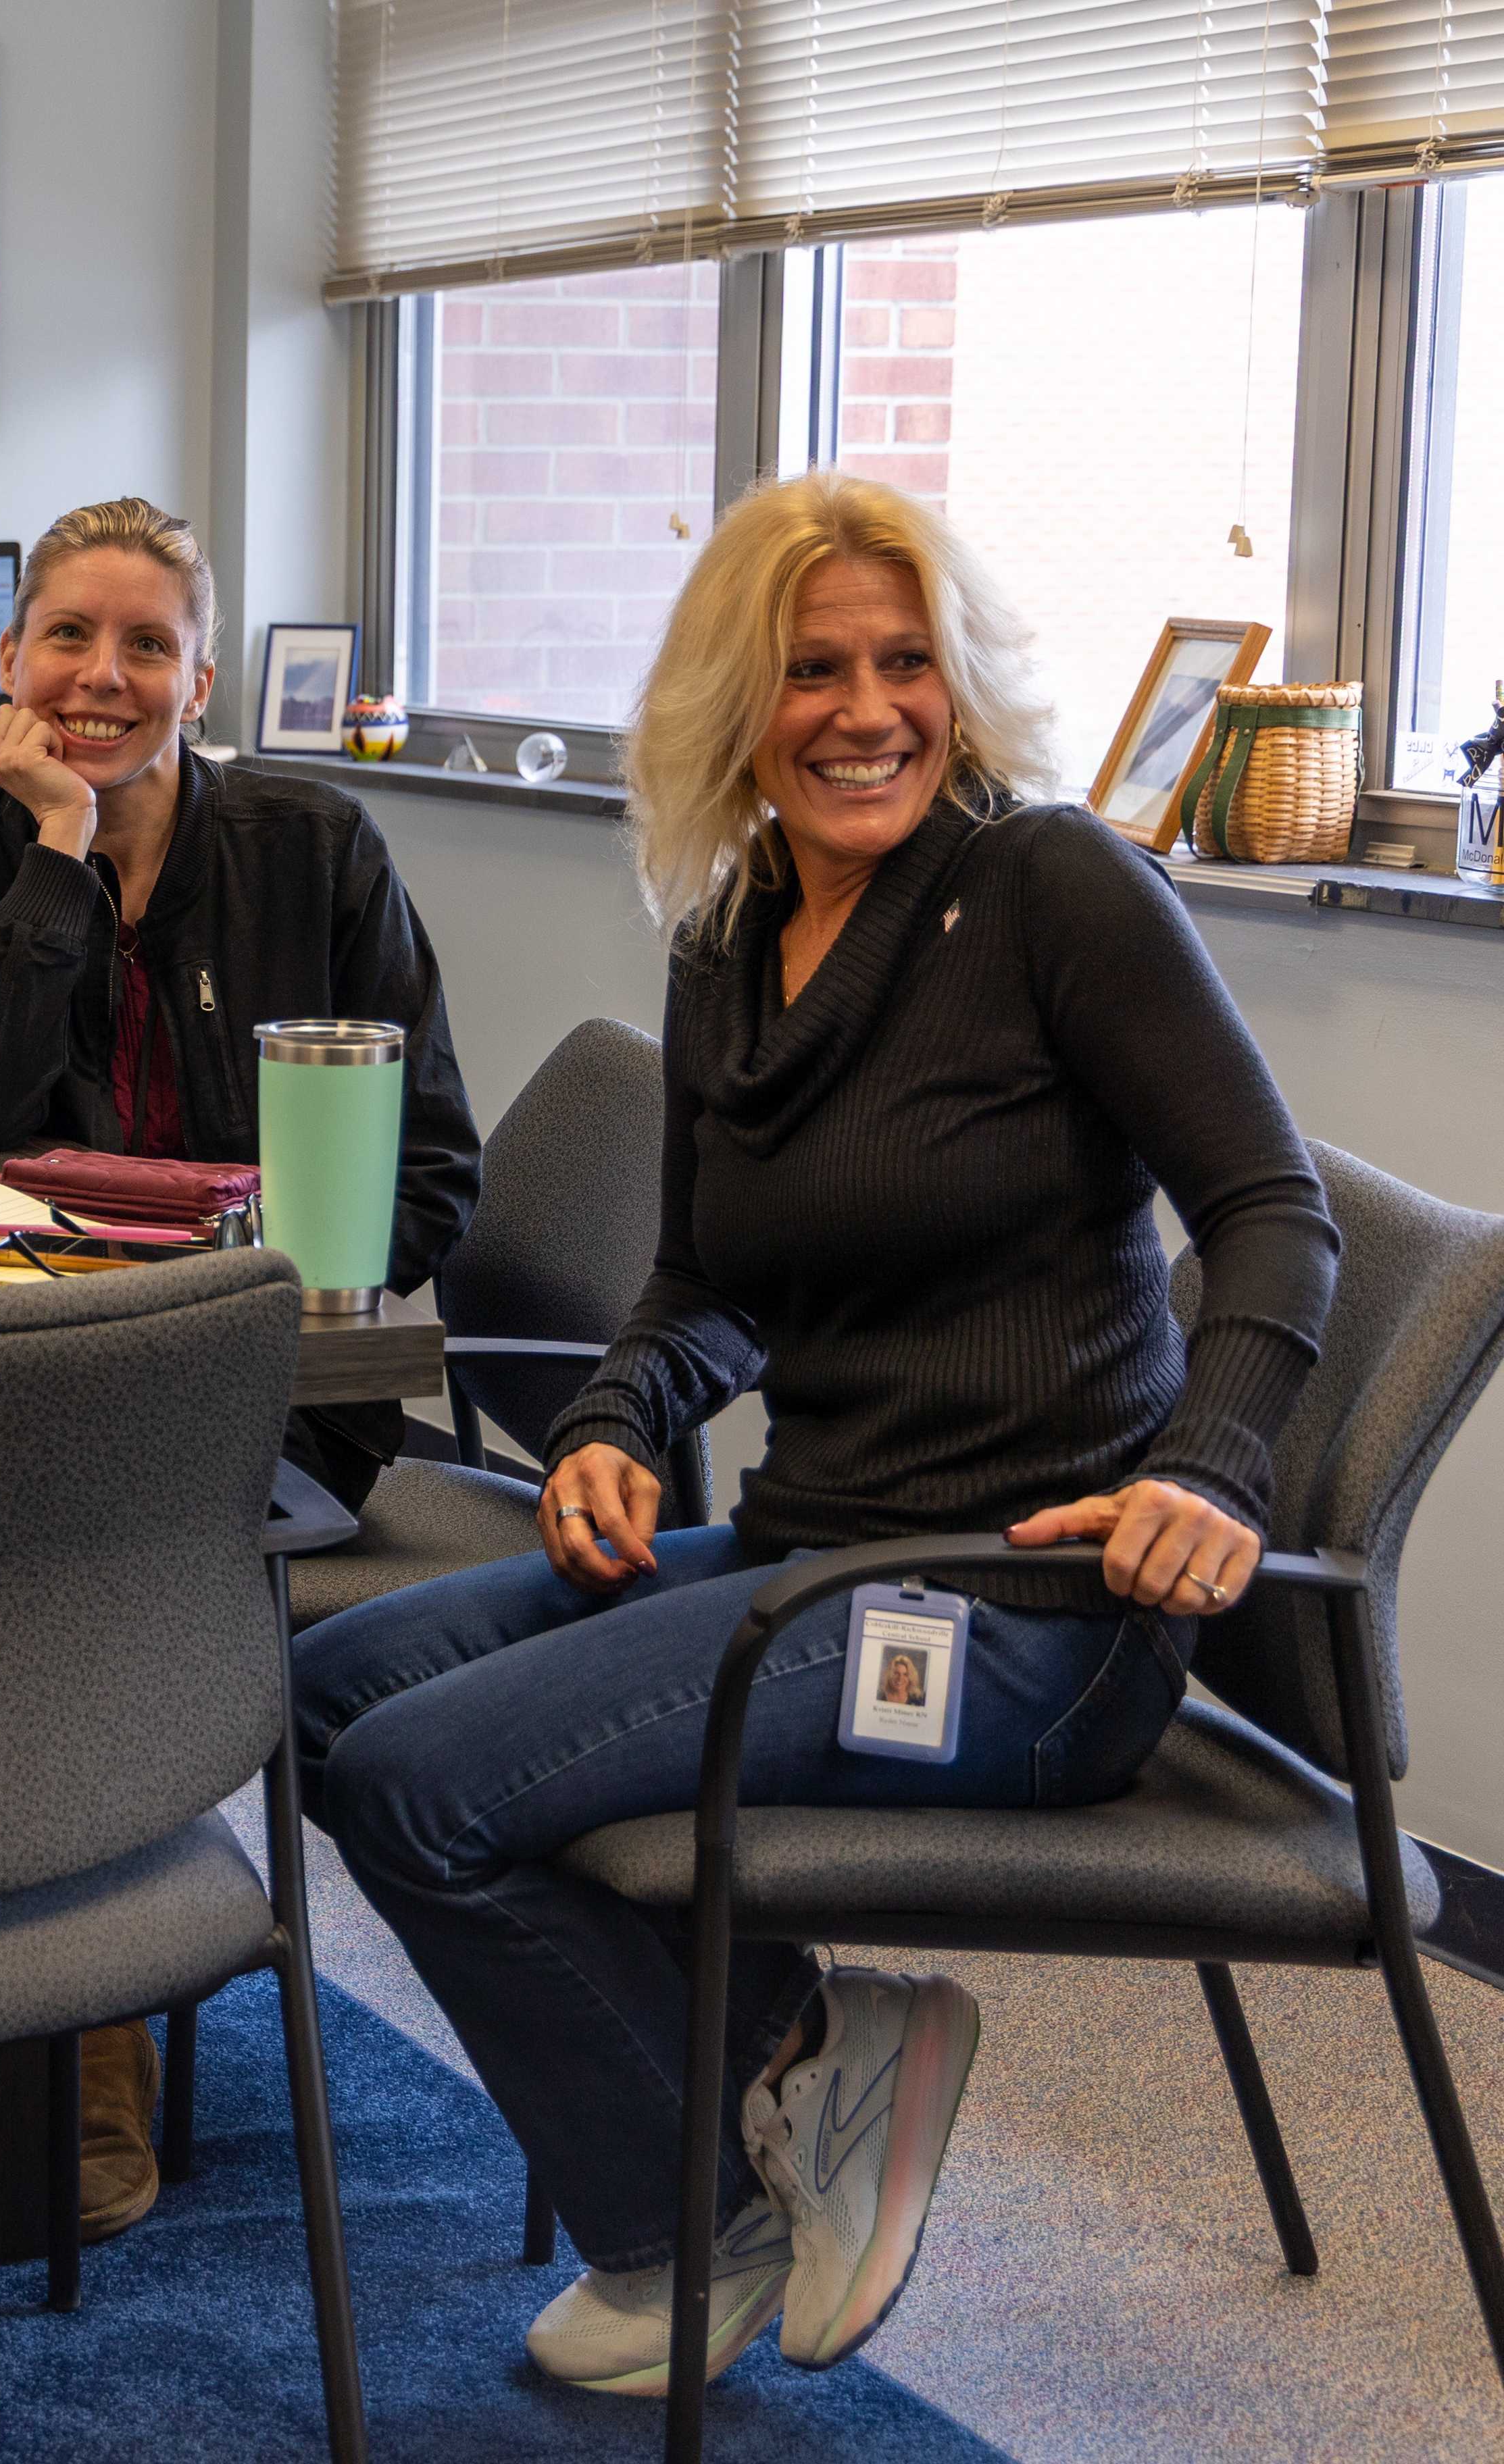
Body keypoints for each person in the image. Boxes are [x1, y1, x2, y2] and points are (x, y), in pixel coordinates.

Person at [289, 470, 1338, 2398]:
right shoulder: (733, 932)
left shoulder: (1053, 890)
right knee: (332, 1693)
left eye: (905, 663)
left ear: (962, 685)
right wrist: (614, 1421)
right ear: (735, 708)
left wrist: (1212, 1465)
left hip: (1026, 1614)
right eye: (812, 670)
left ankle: (689, 2227)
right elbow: (709, 1283)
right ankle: (808, 2048)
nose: (866, 711)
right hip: (820, 1554)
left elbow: (1277, 1213)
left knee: (430, 1791)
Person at [0, 496, 484, 2242]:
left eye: (147, 644)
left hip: (264, 1399)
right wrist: (54, 855)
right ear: (8, 666)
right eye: (69, 637)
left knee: (44, 1569)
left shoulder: (319, 852)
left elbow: (435, 1178)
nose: (103, 675)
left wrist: (223, 1280)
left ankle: (85, 2044)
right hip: (30, 1379)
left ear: (202, 675)